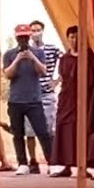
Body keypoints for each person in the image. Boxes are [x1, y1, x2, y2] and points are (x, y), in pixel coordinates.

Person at [49, 25, 94, 177]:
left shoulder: (88, 56)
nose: (74, 40)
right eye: (72, 37)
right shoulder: (64, 58)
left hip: (82, 99)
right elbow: (62, 77)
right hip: (66, 98)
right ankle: (66, 165)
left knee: (80, 130)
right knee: (64, 130)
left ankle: (82, 165)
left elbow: (93, 79)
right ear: (68, 39)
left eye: (77, 37)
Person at [3, 24, 53, 174]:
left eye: (25, 37)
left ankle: (52, 162)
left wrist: (32, 58)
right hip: (16, 100)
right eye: (20, 38)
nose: (23, 41)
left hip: (34, 99)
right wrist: (17, 60)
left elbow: (43, 71)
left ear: (29, 37)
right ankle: (22, 163)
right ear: (17, 38)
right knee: (18, 133)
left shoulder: (38, 52)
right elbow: (8, 74)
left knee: (42, 132)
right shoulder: (9, 54)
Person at [29, 20, 62, 172]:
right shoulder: (25, 51)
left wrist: (57, 80)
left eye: (38, 30)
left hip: (47, 93)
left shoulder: (52, 49)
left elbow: (66, 60)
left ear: (43, 31)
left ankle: (52, 160)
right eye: (33, 30)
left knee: (49, 130)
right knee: (29, 130)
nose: (36, 33)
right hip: (30, 94)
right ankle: (33, 161)